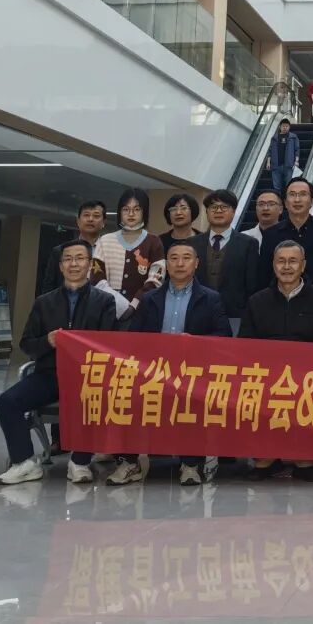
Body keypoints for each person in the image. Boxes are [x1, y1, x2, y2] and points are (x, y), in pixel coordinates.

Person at [0, 239, 114, 486]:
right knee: (7, 402)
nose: (73, 264)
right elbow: (26, 343)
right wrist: (47, 341)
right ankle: (25, 462)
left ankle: (80, 462)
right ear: (60, 266)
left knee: (93, 400)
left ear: (90, 264)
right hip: (49, 374)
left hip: (87, 376)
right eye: (68, 259)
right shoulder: (44, 302)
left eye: (79, 258)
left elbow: (109, 345)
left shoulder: (104, 301)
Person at [128, 240, 231, 486]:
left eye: (186, 258)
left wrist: (196, 343)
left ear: (196, 264)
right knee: (124, 395)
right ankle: (128, 462)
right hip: (153, 372)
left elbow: (224, 336)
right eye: (174, 258)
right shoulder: (150, 298)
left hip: (194, 372)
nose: (180, 263)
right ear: (167, 264)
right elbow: (133, 338)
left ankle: (191, 464)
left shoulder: (211, 299)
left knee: (192, 399)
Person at [240, 240, 313, 482]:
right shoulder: (257, 301)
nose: (286, 267)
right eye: (281, 261)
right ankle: (266, 458)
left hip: (307, 376)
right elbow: (245, 345)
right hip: (267, 375)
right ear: (273, 265)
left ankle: (304, 460)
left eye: (293, 261)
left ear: (303, 266)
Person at [188, 190, 258, 334]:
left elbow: (252, 284)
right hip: (196, 313)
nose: (218, 211)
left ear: (233, 212)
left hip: (234, 315)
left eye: (224, 207)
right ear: (207, 212)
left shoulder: (248, 243)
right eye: (213, 207)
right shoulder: (192, 243)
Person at [91, 188, 166, 318]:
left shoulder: (154, 242)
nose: (131, 214)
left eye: (137, 209)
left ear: (144, 212)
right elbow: (96, 278)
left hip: (143, 311)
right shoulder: (105, 241)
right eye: (126, 209)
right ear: (120, 212)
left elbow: (156, 279)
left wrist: (135, 304)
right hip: (108, 310)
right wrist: (119, 305)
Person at [257, 177, 313, 292]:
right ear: (285, 202)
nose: (297, 200)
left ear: (312, 201)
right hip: (279, 299)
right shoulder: (271, 234)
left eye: (303, 194)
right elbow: (264, 274)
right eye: (292, 195)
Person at [42, 200, 107, 294]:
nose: (90, 219)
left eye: (96, 216)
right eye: (86, 215)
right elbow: (49, 288)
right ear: (78, 221)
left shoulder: (111, 252)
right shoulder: (59, 251)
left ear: (104, 222)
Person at [268, 119, 300, 194]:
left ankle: (287, 200)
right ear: (280, 127)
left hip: (289, 164)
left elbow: (297, 149)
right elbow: (270, 151)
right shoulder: (274, 138)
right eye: (283, 126)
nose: (285, 128)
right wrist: (268, 162)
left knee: (289, 185)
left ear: (289, 127)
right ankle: (278, 200)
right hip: (276, 165)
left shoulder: (293, 137)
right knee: (276, 186)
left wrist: (296, 161)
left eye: (286, 126)